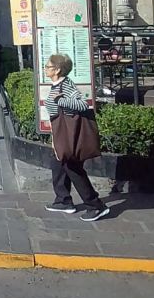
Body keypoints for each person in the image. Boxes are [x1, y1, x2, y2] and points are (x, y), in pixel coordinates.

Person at [44, 54, 109, 222]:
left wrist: (60, 100)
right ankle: (63, 200)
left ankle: (96, 205)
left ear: (57, 70)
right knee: (57, 164)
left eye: (48, 67)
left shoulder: (66, 86)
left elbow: (82, 104)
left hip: (68, 137)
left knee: (73, 168)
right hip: (60, 135)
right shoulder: (57, 84)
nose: (45, 69)